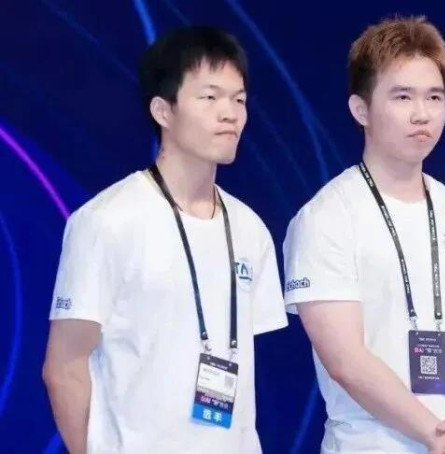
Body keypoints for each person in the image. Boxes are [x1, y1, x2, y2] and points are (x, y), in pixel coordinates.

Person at [42, 26, 287, 453]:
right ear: (163, 110)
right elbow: (63, 368)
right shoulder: (107, 221)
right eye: (209, 97)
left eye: (239, 100)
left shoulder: (250, 229)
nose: (229, 114)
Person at [283, 16, 445, 453]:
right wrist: (434, 434)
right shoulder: (325, 218)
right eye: (403, 97)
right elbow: (345, 360)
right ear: (361, 109)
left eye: (434, 97)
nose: (421, 114)